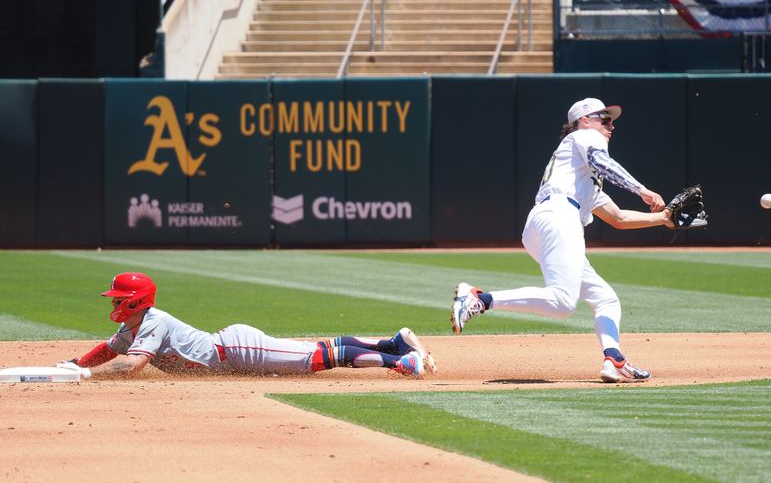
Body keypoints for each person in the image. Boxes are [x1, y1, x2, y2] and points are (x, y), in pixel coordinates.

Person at [450, 98, 674, 383]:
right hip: (559, 217)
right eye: (604, 118)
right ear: (584, 121)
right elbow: (601, 161)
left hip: (546, 223)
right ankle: (481, 299)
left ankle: (614, 360)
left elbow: (618, 218)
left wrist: (663, 218)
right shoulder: (585, 137)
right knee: (563, 303)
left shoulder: (580, 176)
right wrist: (642, 190)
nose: (611, 125)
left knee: (605, 299)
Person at [57, 272, 437, 380]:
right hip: (233, 351)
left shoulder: (153, 322)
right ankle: (394, 342)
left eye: (118, 298)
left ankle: (399, 362)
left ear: (135, 301)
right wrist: (78, 363)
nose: (114, 302)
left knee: (317, 358)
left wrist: (89, 378)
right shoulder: (133, 327)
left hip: (238, 350)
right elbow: (110, 350)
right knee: (312, 350)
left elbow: (131, 365)